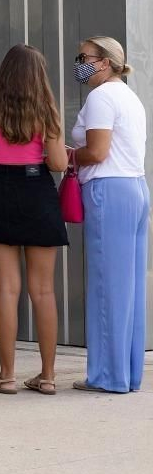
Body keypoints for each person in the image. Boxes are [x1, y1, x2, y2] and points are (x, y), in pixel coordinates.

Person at [0, 44, 68, 394]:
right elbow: (59, 165)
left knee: (6, 288)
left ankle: (6, 377)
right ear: (38, 73)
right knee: (44, 289)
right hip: (38, 192)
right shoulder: (46, 110)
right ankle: (47, 376)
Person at [69, 35, 149, 394]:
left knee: (106, 287)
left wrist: (67, 156)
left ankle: (106, 376)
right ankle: (127, 374)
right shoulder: (130, 97)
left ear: (104, 62)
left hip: (108, 189)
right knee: (129, 287)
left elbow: (97, 152)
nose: (79, 63)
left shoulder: (100, 97)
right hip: (135, 187)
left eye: (83, 56)